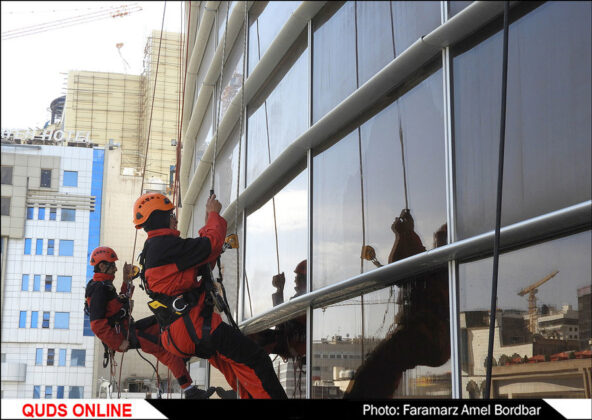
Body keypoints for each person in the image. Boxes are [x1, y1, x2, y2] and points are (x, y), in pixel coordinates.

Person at [133, 192, 287, 399]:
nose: (175, 218)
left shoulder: (156, 249)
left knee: (237, 367)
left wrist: (208, 222)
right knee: (256, 359)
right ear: (160, 217)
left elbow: (202, 259)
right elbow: (209, 246)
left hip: (183, 332)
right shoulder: (164, 246)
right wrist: (214, 214)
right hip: (195, 327)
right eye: (170, 215)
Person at [343, 209, 449, 399]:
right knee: (383, 365)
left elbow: (401, 268)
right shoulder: (438, 266)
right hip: (428, 336)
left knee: (380, 365)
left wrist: (405, 234)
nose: (436, 243)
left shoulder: (440, 267)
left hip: (427, 335)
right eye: (437, 239)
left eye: (440, 239)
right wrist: (405, 234)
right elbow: (406, 264)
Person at [85, 246, 215, 399]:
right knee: (165, 350)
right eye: (112, 265)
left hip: (127, 329)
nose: (115, 269)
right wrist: (118, 343)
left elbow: (119, 303)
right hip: (124, 336)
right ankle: (189, 390)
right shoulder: (99, 289)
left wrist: (127, 281)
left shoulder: (103, 286)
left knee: (163, 320)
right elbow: (97, 324)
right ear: (102, 266)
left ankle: (183, 350)